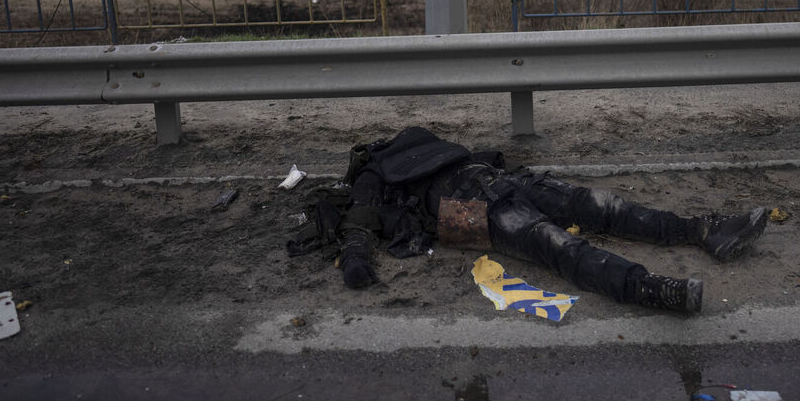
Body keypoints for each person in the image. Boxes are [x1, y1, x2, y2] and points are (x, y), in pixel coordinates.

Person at [302, 126, 768, 313]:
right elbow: (358, 225)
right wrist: (356, 259)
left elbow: (475, 156)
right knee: (555, 243)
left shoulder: (418, 140)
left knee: (598, 204)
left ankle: (703, 230)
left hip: (498, 181)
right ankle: (649, 288)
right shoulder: (372, 176)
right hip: (464, 210)